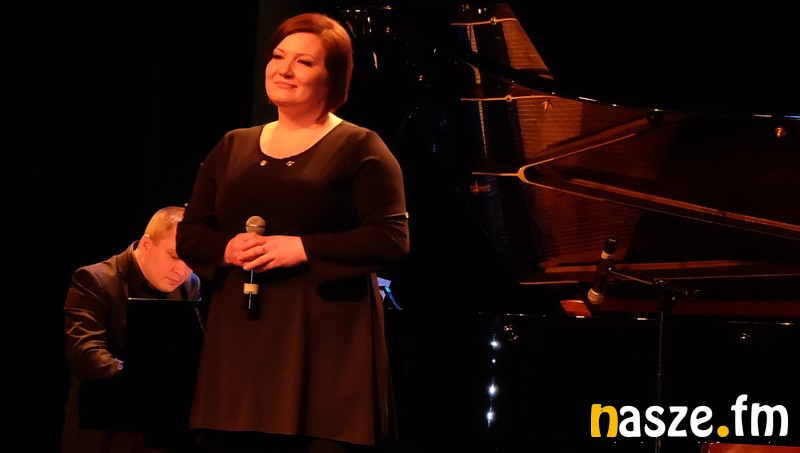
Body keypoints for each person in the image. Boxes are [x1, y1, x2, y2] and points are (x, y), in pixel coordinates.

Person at [175, 11, 410, 453]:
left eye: (304, 62)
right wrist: (227, 248)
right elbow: (191, 234)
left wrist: (302, 248)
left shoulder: (360, 146)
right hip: (240, 346)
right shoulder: (233, 145)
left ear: (332, 77)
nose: (283, 70)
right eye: (278, 56)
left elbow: (390, 239)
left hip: (324, 348)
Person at [61, 206, 202, 453]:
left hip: (161, 434)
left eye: (191, 260)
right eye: (174, 256)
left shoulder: (189, 284)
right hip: (103, 432)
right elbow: (84, 354)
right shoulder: (94, 279)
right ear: (146, 244)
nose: (182, 270)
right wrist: (144, 378)